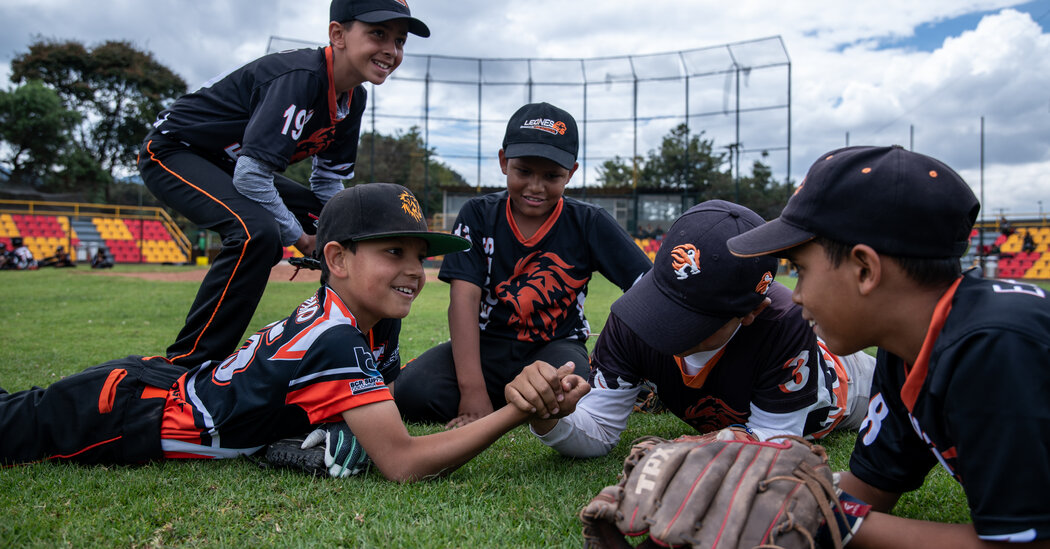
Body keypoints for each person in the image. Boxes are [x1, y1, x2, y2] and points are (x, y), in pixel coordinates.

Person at [0, 184, 591, 482]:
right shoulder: (337, 336)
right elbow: (404, 463)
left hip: (154, 390)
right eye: (393, 252)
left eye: (420, 254)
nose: (414, 270)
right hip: (122, 417)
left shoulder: (368, 324)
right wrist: (516, 410)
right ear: (336, 258)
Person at [725, 145, 1050, 547]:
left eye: (802, 271)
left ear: (865, 270)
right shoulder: (906, 349)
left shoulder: (995, 347)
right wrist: (760, 493)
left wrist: (819, 517)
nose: (796, 296)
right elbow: (870, 490)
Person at [137, 0, 429, 367]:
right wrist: (301, 236)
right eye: (377, 34)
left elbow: (326, 179)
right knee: (257, 233)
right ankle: (188, 366)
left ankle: (361, 359)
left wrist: (340, 223)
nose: (391, 49)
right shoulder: (301, 77)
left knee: (363, 232)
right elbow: (251, 176)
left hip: (233, 164)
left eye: (400, 40)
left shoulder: (354, 98)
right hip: (176, 151)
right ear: (337, 34)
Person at [506, 200, 875, 458]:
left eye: (693, 318)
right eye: (663, 299)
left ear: (751, 313)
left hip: (846, 383)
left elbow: (775, 443)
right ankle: (657, 393)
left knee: (902, 391)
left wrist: (683, 449)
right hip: (735, 396)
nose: (664, 327)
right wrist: (552, 418)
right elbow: (599, 428)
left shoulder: (781, 320)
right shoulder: (629, 316)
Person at [393, 102, 653, 428]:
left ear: (571, 172)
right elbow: (464, 300)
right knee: (411, 393)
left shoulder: (589, 222)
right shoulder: (477, 214)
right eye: (524, 171)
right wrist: (471, 392)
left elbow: (648, 286)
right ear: (504, 162)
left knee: (570, 396)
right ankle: (511, 401)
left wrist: (635, 356)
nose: (535, 186)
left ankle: (635, 390)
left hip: (554, 347)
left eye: (552, 176)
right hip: (486, 346)